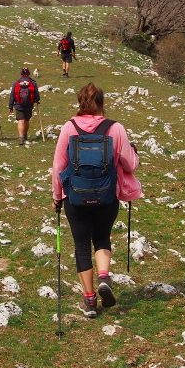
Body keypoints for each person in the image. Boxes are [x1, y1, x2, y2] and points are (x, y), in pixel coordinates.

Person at [51, 83, 142, 318]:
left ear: (79, 102)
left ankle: (89, 301)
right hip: (106, 196)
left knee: (81, 246)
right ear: (102, 102)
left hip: (75, 198)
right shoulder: (115, 128)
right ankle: (104, 276)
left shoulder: (68, 128)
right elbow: (130, 165)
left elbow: (58, 167)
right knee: (102, 238)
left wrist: (56, 196)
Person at [8, 67, 40, 145]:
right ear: (28, 73)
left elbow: (12, 95)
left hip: (19, 104)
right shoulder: (33, 83)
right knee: (26, 120)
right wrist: (37, 100)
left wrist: (10, 106)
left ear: (21, 74)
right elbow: (37, 95)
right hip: (29, 104)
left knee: (20, 120)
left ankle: (21, 137)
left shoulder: (16, 83)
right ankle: (25, 135)